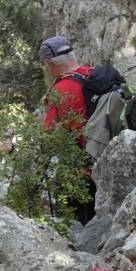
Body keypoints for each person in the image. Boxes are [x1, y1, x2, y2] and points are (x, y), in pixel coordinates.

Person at [39, 35, 96, 224]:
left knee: (83, 223)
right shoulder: (93, 74)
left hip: (82, 171)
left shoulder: (59, 90)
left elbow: (49, 134)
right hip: (109, 156)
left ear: (49, 63)